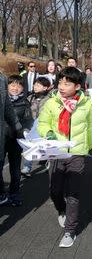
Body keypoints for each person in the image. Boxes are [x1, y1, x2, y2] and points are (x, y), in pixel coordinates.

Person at [37, 67, 92, 248]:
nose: (62, 86)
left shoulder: (86, 104)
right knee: (54, 191)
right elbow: (42, 123)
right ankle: (61, 209)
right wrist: (47, 133)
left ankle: (70, 230)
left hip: (77, 153)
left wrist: (90, 146)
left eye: (67, 83)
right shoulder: (52, 102)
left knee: (73, 193)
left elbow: (89, 125)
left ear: (77, 86)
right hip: (56, 152)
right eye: (60, 82)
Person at [0, 75, 33, 206]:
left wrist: (23, 130)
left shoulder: (25, 103)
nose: (15, 88)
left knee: (14, 169)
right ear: (7, 86)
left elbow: (28, 121)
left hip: (15, 140)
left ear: (23, 88)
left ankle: (14, 193)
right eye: (12, 85)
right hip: (3, 139)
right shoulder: (4, 98)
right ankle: (2, 192)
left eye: (18, 86)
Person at [21, 77, 52, 177]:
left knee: (46, 145)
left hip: (44, 125)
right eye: (35, 84)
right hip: (30, 124)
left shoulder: (50, 99)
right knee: (29, 145)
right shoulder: (30, 98)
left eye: (38, 85)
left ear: (46, 87)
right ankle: (27, 167)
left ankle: (49, 164)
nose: (35, 87)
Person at [0, 72, 23, 205]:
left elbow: (7, 107)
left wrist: (19, 128)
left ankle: (10, 193)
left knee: (13, 169)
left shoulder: (2, 78)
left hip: (7, 139)